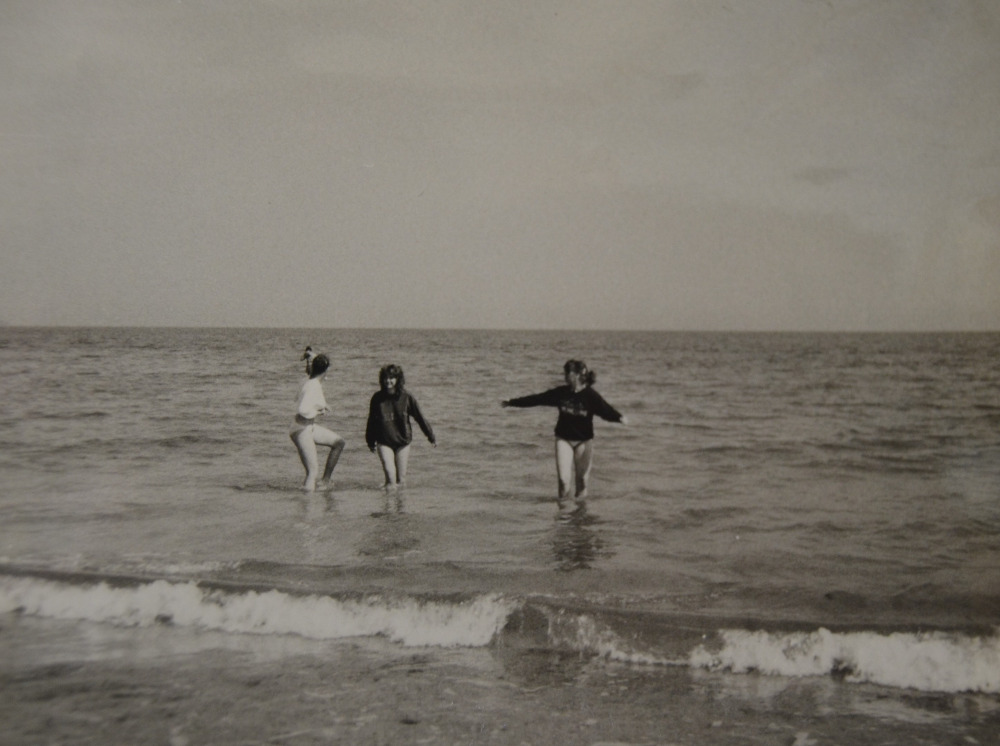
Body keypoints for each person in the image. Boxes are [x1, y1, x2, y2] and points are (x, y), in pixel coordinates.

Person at [502, 359, 627, 502]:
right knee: (563, 481)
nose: (565, 376)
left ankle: (580, 513)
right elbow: (537, 399)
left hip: (584, 441)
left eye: (567, 373)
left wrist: (619, 418)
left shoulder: (591, 395)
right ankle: (563, 513)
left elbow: (606, 410)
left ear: (577, 375)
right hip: (564, 440)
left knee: (582, 481)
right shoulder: (561, 393)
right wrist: (512, 402)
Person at [365, 364, 436, 489]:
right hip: (384, 441)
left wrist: (430, 436)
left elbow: (420, 418)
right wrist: (370, 441)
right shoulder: (377, 398)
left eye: (391, 378)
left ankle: (399, 501)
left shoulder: (407, 398)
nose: (388, 381)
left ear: (398, 379)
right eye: (385, 378)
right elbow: (371, 421)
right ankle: (388, 499)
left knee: (401, 481)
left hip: (403, 442)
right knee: (390, 477)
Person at [289, 352, 345, 491]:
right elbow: (303, 409)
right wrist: (318, 409)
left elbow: (314, 366)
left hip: (306, 427)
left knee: (339, 443)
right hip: (302, 429)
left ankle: (325, 481)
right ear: (326, 371)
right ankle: (307, 500)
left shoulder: (308, 380)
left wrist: (310, 354)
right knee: (312, 472)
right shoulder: (313, 386)